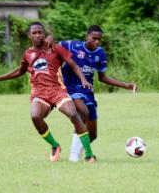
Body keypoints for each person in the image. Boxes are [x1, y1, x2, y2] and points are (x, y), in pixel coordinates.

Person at [0, 22, 97, 163]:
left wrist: (83, 79)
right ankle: (55, 145)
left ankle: (89, 155)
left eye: (40, 32)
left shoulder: (55, 48)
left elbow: (73, 64)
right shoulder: (28, 54)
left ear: (44, 34)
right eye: (34, 33)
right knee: (35, 116)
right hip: (40, 93)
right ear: (29, 36)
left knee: (74, 114)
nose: (37, 35)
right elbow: (19, 71)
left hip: (57, 90)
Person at [47, 25, 137, 162]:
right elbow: (53, 43)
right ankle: (74, 156)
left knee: (93, 134)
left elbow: (103, 78)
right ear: (86, 36)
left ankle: (81, 151)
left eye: (99, 39)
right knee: (83, 112)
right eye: (94, 38)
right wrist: (49, 38)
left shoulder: (100, 54)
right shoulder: (73, 46)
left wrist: (126, 85)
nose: (96, 42)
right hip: (70, 87)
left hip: (87, 90)